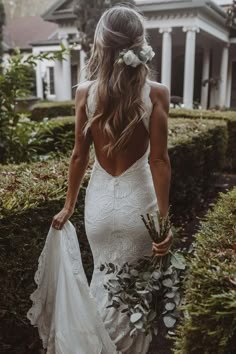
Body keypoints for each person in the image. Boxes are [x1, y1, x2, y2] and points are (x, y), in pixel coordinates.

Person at [28, 5, 172, 354]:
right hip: (140, 207)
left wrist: (68, 205)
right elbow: (159, 160)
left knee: (103, 281)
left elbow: (79, 156)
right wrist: (162, 223)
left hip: (99, 206)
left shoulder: (85, 93)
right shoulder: (156, 93)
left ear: (101, 45)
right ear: (139, 43)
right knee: (133, 291)